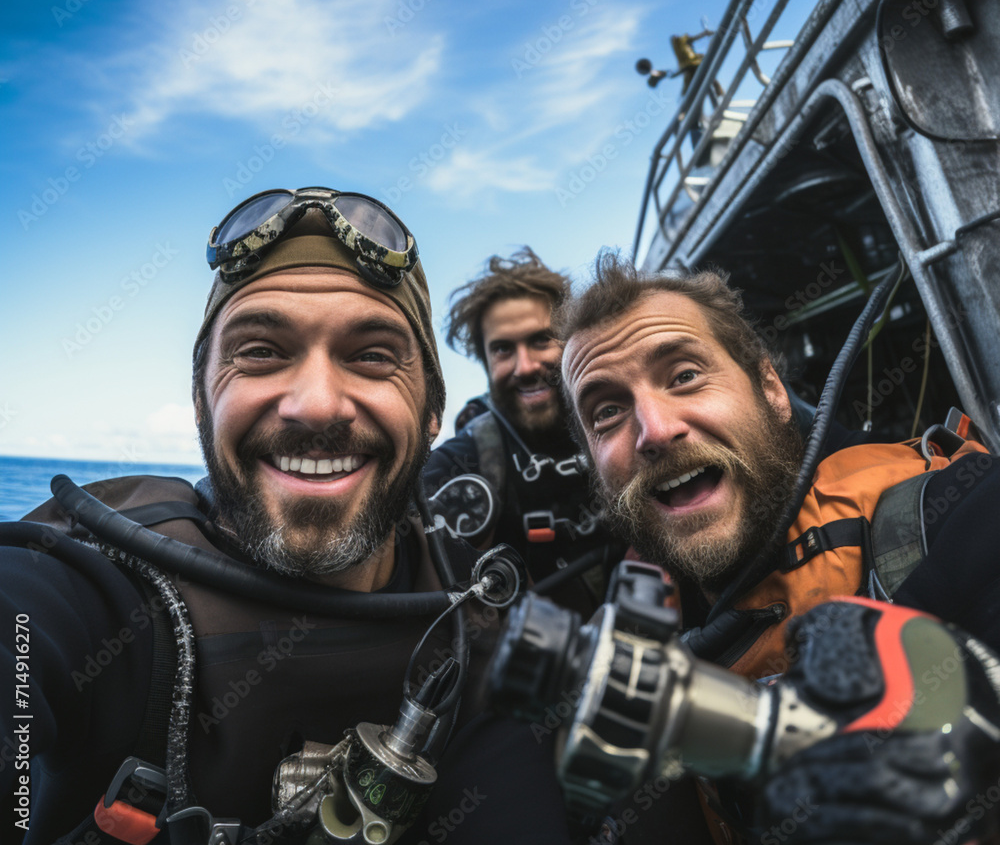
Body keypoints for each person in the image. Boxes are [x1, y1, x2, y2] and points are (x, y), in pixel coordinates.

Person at [0, 189, 571, 845]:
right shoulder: (97, 581)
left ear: (432, 413)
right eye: (262, 352)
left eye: (373, 356)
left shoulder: (478, 620)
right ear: (199, 401)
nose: (317, 405)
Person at [557, 251, 1000, 844]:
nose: (655, 430)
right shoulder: (638, 628)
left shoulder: (954, 510)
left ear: (771, 389)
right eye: (607, 411)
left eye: (685, 375)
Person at [422, 249, 613, 613]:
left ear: (572, 341)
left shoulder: (633, 423)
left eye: (541, 340)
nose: (524, 367)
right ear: (485, 362)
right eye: (503, 349)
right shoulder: (463, 460)